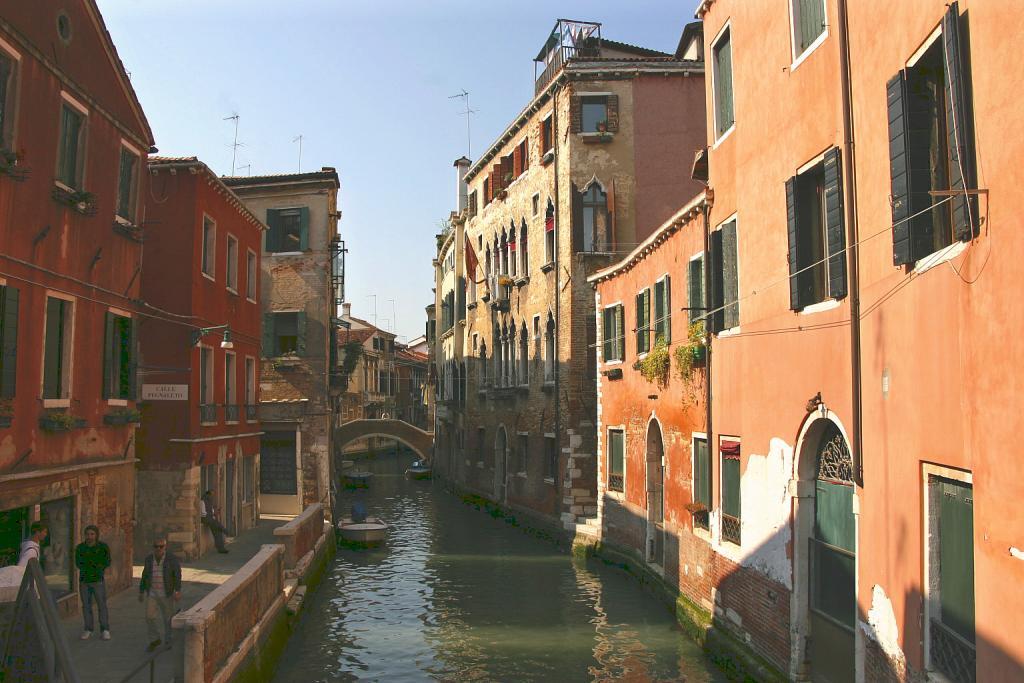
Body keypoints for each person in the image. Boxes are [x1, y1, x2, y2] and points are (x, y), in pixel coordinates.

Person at [139, 537, 182, 652]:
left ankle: (168, 639)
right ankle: (154, 639)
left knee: (168, 618)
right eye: (156, 546)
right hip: (152, 592)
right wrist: (141, 591)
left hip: (166, 592)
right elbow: (145, 575)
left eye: (161, 546)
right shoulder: (149, 559)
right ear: (153, 547)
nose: (158, 549)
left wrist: (177, 590)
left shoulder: (171, 559)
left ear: (165, 547)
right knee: (149, 616)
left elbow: (177, 574)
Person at [75, 525, 111, 641]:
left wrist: (95, 566)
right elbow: (78, 563)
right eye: (88, 534)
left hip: (98, 580)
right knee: (86, 606)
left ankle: (105, 629)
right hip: (84, 580)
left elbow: (106, 561)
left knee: (101, 605)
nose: (89, 536)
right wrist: (91, 564)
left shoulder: (102, 547)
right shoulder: (80, 548)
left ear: (96, 535)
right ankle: (88, 629)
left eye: (92, 534)